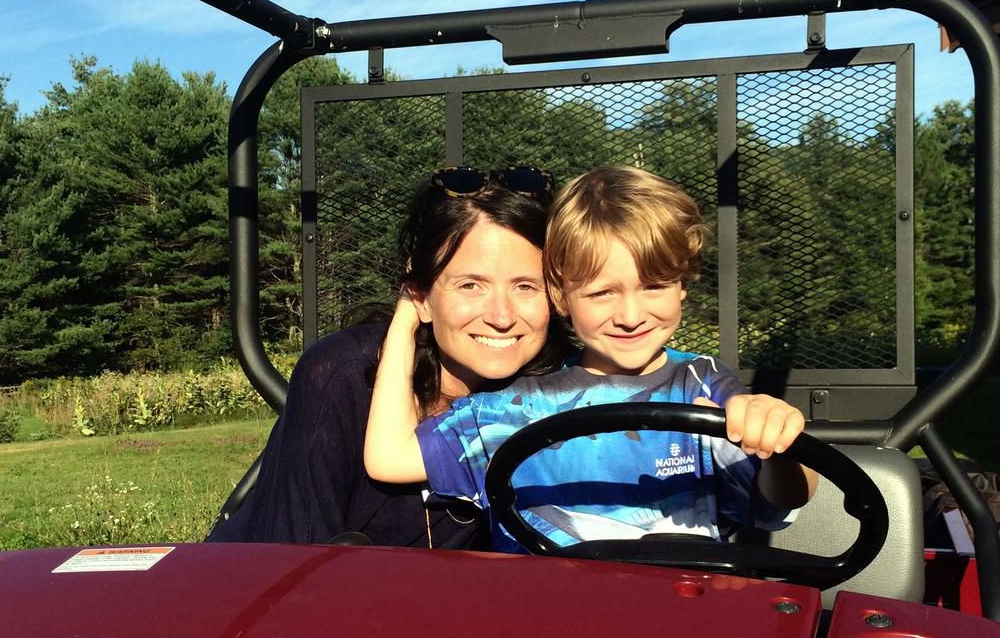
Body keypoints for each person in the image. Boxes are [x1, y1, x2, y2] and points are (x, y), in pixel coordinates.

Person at [365, 165, 817, 553]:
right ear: (560, 296)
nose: (631, 315)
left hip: (682, 618)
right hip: (546, 630)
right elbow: (388, 458)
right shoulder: (516, 407)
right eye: (603, 293)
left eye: (654, 286)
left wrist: (776, 439)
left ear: (682, 286)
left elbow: (789, 496)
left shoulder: (703, 385)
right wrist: (408, 317)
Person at [213, 166, 568, 549]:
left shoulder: (557, 397)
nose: (501, 316)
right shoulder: (343, 376)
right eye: (471, 286)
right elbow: (292, 552)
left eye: (526, 286)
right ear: (421, 296)